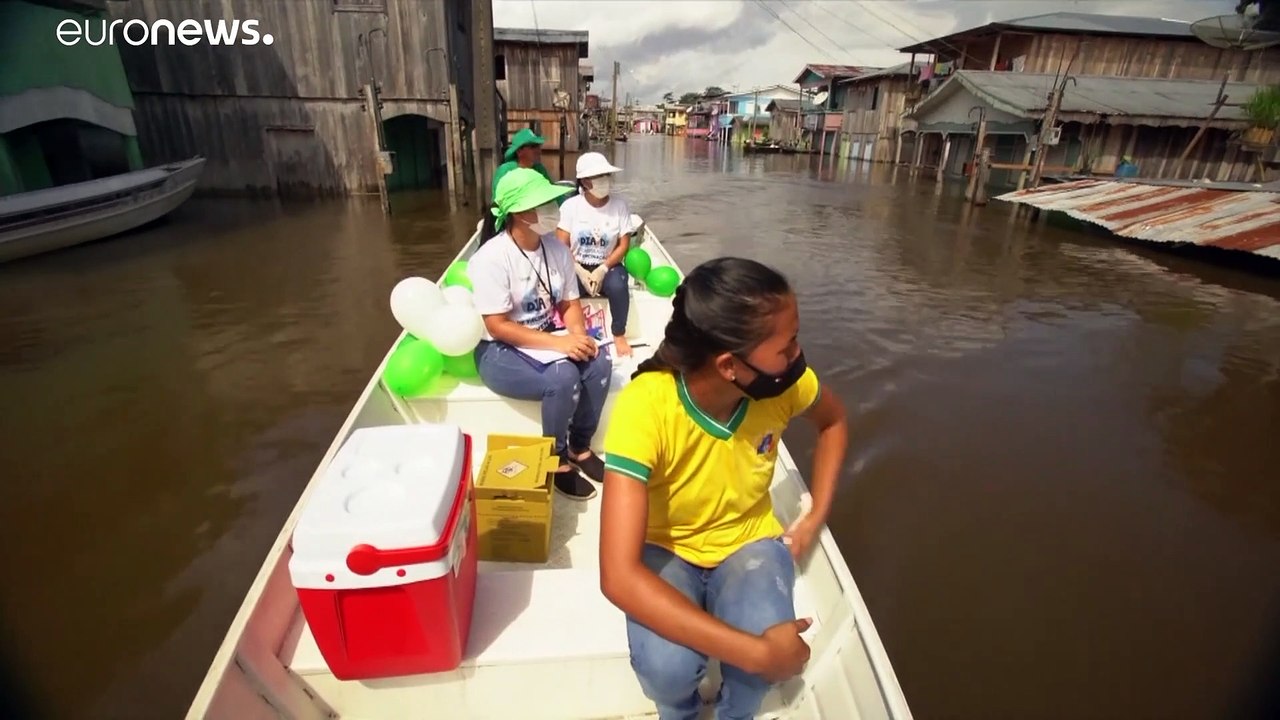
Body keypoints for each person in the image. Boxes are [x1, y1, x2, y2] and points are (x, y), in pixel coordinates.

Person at [599, 257, 848, 720]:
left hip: (749, 544)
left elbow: (833, 422)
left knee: (760, 666)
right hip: (665, 549)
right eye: (788, 345)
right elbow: (618, 576)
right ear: (730, 366)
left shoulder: (785, 389)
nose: (798, 355)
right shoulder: (646, 406)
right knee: (668, 671)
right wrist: (758, 653)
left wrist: (813, 519)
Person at [469, 167, 613, 501]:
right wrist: (561, 344)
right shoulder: (491, 257)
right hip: (500, 351)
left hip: (547, 336)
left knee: (599, 361)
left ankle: (580, 446)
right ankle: (557, 459)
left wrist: (578, 338)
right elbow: (497, 326)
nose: (554, 209)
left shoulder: (556, 249)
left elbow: (569, 304)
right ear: (519, 214)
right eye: (544, 203)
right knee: (562, 377)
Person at [555, 152, 634, 357]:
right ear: (584, 181)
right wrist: (578, 270)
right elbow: (561, 244)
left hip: (609, 265)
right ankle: (566, 331)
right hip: (576, 264)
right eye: (597, 177)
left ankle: (618, 333)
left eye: (605, 175)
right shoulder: (570, 207)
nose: (603, 181)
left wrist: (603, 268)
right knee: (560, 287)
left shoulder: (620, 206)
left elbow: (624, 244)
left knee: (618, 285)